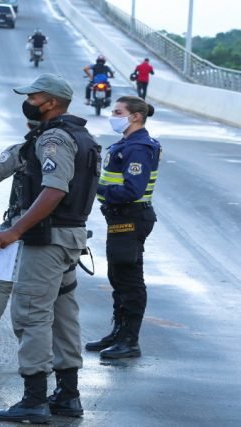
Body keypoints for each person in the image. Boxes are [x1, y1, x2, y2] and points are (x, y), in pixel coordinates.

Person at [0, 74, 100, 424]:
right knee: (63, 315)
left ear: (50, 102)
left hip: (47, 240)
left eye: (34, 97)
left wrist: (15, 230)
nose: (29, 101)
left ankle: (34, 400)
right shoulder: (82, 135)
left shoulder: (53, 138)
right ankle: (68, 395)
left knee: (32, 314)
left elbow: (54, 189)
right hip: (69, 237)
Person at [86, 96, 160, 359]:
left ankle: (130, 340)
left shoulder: (138, 148)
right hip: (121, 218)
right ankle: (118, 333)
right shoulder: (127, 143)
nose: (112, 115)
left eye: (118, 112)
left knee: (128, 278)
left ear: (135, 116)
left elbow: (132, 189)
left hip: (130, 217)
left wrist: (97, 188)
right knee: (117, 276)